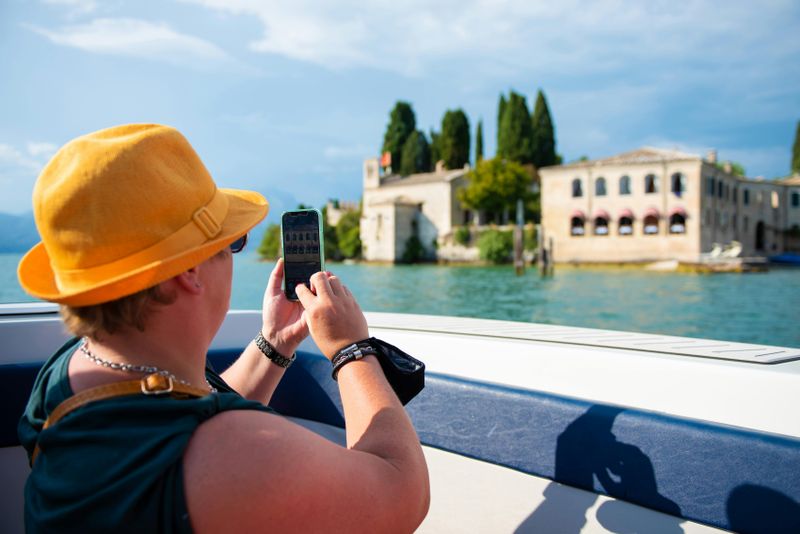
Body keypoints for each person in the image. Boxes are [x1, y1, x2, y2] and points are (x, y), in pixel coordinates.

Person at [17, 124, 430, 533]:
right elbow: (401, 491)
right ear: (192, 270)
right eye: (232, 244)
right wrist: (350, 348)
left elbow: (191, 410)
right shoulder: (236, 455)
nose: (235, 256)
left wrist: (274, 344)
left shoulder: (64, 377)